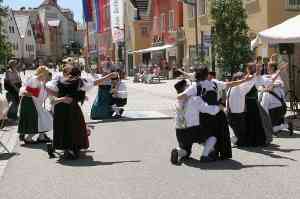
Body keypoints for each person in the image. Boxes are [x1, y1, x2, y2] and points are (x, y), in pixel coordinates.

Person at [46, 66, 117, 159]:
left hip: (60, 107)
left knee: (61, 127)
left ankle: (56, 146)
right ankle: (70, 150)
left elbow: (47, 88)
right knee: (75, 127)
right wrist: (110, 75)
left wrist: (62, 97)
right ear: (78, 75)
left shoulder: (59, 80)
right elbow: (96, 82)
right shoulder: (80, 81)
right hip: (72, 107)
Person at [171, 80, 220, 164]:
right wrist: (219, 107)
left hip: (179, 130)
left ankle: (177, 151)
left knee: (186, 151)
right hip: (193, 130)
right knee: (212, 138)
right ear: (185, 88)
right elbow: (209, 110)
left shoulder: (177, 100)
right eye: (188, 86)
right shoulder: (194, 99)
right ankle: (204, 156)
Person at [18, 66, 52, 144]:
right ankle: (29, 138)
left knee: (42, 117)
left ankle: (41, 137)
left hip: (32, 102)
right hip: (29, 102)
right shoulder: (34, 79)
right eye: (46, 74)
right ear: (42, 74)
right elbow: (27, 92)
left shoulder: (38, 80)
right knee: (37, 119)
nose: (46, 76)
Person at [260, 62, 290, 134]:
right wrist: (263, 87)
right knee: (271, 128)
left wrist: (273, 85)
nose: (266, 68)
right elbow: (260, 84)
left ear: (272, 68)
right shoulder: (265, 76)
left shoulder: (277, 77)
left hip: (278, 107)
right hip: (271, 106)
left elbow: (280, 83)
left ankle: (285, 126)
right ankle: (282, 126)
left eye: (268, 66)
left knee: (270, 128)